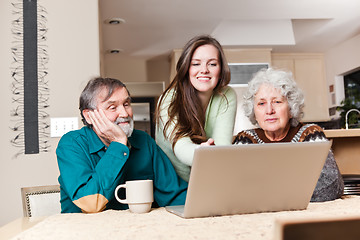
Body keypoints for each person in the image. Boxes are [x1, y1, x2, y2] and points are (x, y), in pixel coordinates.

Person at [56, 77, 188, 213]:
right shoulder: (71, 144)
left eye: (126, 104)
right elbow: (91, 203)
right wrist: (118, 144)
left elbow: (175, 195)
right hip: (85, 231)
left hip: (139, 229)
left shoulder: (143, 140)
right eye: (112, 107)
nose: (125, 114)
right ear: (89, 116)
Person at [233, 68, 344, 202]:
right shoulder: (245, 140)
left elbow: (330, 187)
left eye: (277, 102)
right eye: (261, 103)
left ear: (291, 108)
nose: (269, 110)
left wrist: (264, 190)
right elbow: (235, 190)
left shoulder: (311, 134)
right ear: (254, 112)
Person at [155, 35, 237, 182]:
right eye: (196, 64)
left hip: (207, 175)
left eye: (212, 64)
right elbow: (181, 149)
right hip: (172, 179)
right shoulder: (168, 99)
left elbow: (222, 147)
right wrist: (204, 153)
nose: (204, 70)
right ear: (186, 68)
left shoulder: (227, 95)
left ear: (221, 69)